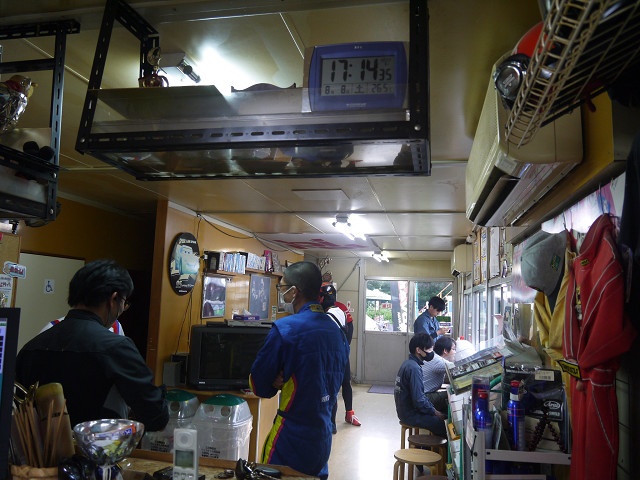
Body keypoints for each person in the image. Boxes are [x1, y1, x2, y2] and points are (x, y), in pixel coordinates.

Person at [16, 259, 169, 432]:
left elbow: (17, 409)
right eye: (123, 302)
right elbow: (155, 416)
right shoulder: (116, 347)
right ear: (113, 299)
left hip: (40, 449)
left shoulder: (31, 348)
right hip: (98, 447)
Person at [249, 261, 349, 480]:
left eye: (282, 287)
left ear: (294, 292)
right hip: (322, 436)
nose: (281, 291)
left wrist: (276, 380)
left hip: (291, 436)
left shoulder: (286, 329)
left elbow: (259, 386)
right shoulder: (337, 332)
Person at [320, 284, 361, 432]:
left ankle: (346, 415)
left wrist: (345, 347)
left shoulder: (335, 309)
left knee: (340, 385)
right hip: (340, 352)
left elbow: (350, 328)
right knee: (338, 385)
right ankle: (333, 422)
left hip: (337, 354)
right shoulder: (333, 310)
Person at [394, 333, 447, 437]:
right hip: (410, 414)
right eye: (429, 349)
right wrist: (435, 412)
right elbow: (419, 400)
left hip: (404, 411)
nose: (431, 353)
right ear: (418, 350)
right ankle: (432, 446)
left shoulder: (408, 364)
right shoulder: (414, 369)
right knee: (441, 424)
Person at [422, 336, 456, 412]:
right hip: (424, 397)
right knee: (452, 394)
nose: (455, 352)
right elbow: (458, 368)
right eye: (453, 349)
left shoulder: (433, 357)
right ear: (445, 351)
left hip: (419, 395)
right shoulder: (438, 361)